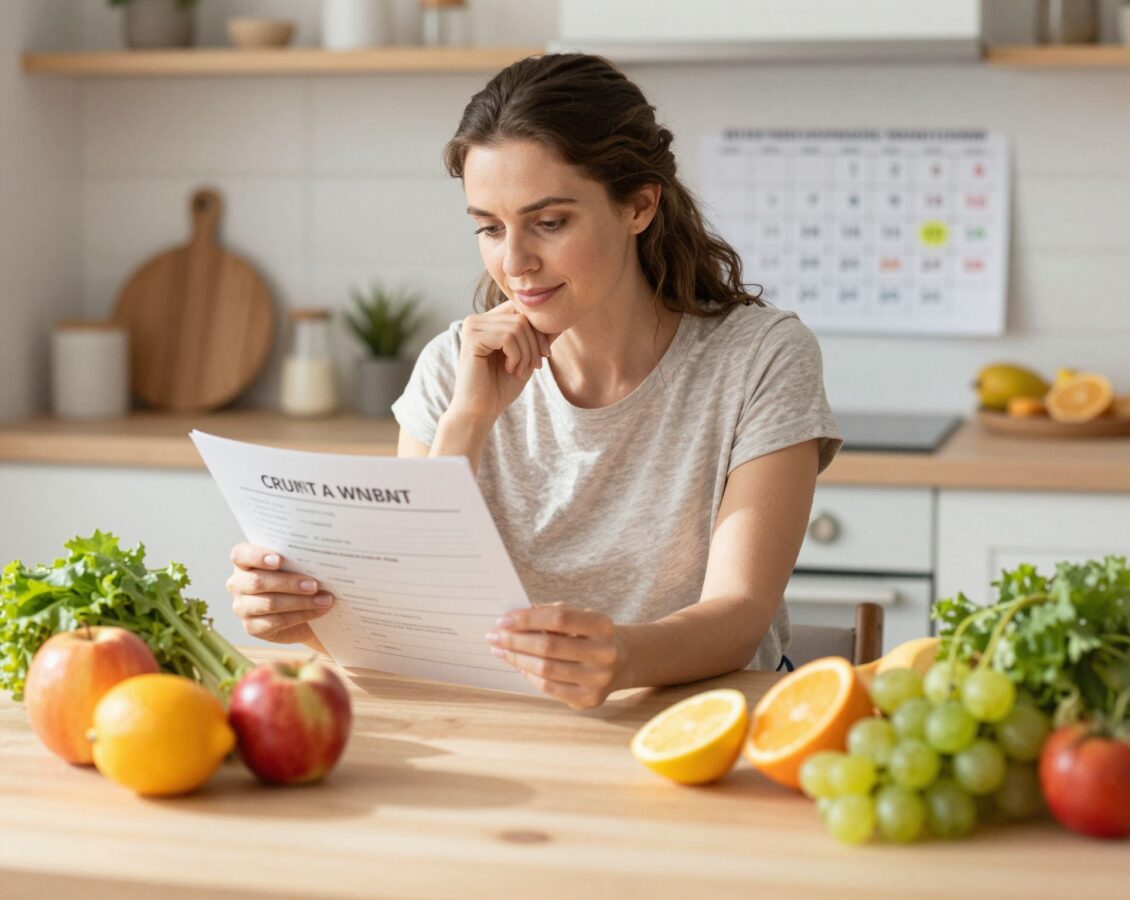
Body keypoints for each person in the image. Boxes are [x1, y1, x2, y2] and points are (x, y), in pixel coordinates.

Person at [226, 53, 842, 709]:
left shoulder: (761, 358)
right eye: (489, 228)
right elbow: (417, 624)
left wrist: (624, 655)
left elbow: (740, 611)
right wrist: (308, 616)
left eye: (549, 223)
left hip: (707, 725)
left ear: (639, 204)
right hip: (518, 729)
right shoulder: (450, 368)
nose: (514, 262)